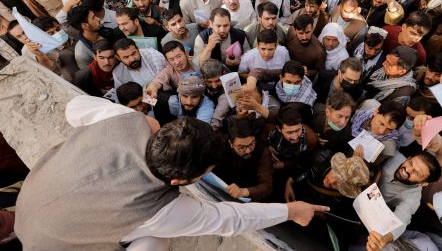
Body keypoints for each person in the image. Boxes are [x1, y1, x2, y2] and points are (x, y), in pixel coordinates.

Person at [15, 96, 328, 250]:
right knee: (156, 241)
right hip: (45, 245)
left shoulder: (127, 121)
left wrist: (136, 120)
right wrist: (290, 211)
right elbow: (230, 219)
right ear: (179, 182)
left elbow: (75, 108)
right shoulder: (160, 210)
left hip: (30, 196)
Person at [365, 151, 442, 251]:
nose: (407, 170)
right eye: (410, 163)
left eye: (416, 173)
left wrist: (383, 240)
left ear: (423, 183)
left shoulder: (413, 197)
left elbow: (400, 221)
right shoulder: (395, 157)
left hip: (367, 208)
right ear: (408, 158)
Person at [214, 117, 274, 201]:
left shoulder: (263, 150)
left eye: (251, 144)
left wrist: (242, 192)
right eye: (241, 147)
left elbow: (266, 186)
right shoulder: (219, 145)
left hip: (249, 195)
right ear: (231, 143)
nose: (248, 151)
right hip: (220, 190)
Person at [67, 0, 116, 69]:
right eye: (93, 18)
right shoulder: (82, 53)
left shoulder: (108, 31)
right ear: (85, 26)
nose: (99, 19)